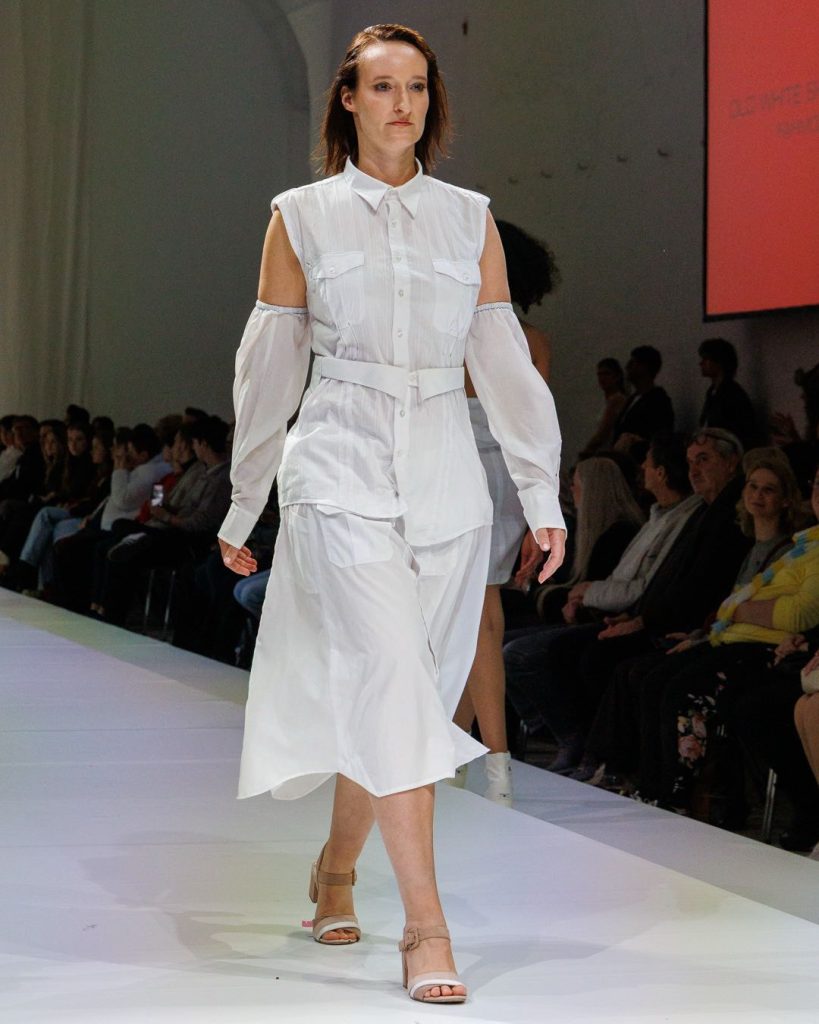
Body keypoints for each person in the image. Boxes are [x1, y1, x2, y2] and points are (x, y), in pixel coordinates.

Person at [215, 24, 565, 1004]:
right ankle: (426, 927)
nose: (401, 102)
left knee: (404, 693)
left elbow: (502, 364)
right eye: (381, 86)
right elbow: (269, 368)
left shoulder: (469, 220)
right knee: (390, 681)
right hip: (339, 462)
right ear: (349, 100)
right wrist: (245, 501)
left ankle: (335, 871)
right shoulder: (301, 217)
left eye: (415, 86)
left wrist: (539, 492)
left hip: (448, 474)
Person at [451, 218, 557, 805]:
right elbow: (537, 433)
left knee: (473, 618)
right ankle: (462, 757)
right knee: (479, 618)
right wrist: (540, 510)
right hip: (507, 479)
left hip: (455, 469)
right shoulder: (531, 339)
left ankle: (495, 765)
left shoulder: (454, 328)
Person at [698, 337, 757, 449]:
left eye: (706, 359)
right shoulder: (712, 392)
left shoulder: (732, 395)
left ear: (719, 362)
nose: (701, 363)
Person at [612, 345, 674, 447]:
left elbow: (659, 437)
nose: (627, 367)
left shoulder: (658, 402)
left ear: (643, 367)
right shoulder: (633, 399)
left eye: (632, 363)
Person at [579, 358, 629, 456]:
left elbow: (603, 432)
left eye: (607, 374)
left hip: (609, 453)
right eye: (600, 374)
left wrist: (586, 452)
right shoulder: (608, 401)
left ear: (617, 376)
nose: (602, 378)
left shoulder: (616, 400)